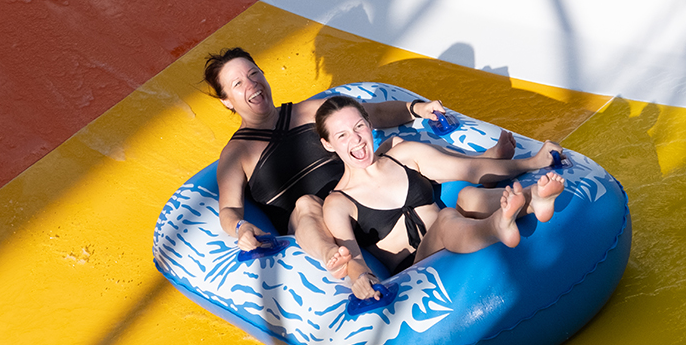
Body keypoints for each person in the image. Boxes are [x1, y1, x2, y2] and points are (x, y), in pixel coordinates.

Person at [205, 47, 509, 276]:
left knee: (397, 147)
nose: (251, 84)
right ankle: (333, 256)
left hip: (357, 194)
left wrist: (417, 108)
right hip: (317, 218)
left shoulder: (310, 111)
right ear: (226, 100)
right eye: (237, 83)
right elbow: (229, 208)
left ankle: (482, 162)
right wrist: (241, 227)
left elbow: (373, 114)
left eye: (253, 74)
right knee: (307, 203)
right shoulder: (236, 153)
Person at [316, 95, 565, 299]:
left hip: (457, 231)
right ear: (328, 144)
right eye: (342, 135)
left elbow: (471, 169)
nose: (356, 139)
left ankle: (534, 198)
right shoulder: (338, 202)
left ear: (369, 125)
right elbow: (353, 258)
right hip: (417, 269)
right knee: (446, 218)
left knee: (468, 196)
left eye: (359, 126)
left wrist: (533, 163)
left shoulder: (404, 155)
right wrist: (361, 279)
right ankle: (497, 225)